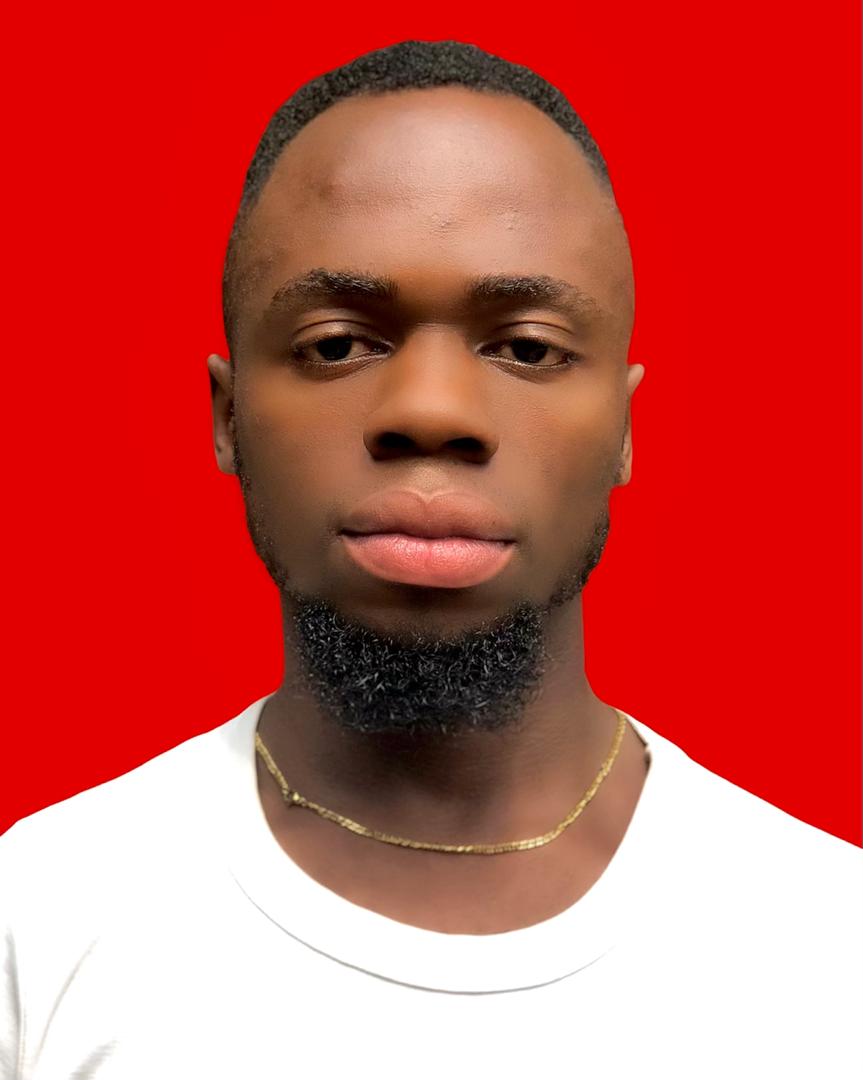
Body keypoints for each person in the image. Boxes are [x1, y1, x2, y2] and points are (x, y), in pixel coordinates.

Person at [1, 39, 860, 1080]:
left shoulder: (831, 946)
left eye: (527, 348)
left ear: (624, 430)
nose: (431, 410)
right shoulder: (35, 922)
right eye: (335, 344)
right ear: (228, 417)